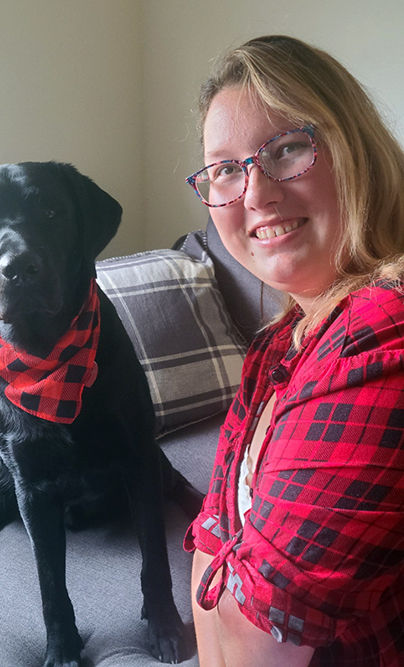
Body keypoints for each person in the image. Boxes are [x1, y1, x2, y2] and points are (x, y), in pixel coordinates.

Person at [184, 35, 404, 667]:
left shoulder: (381, 330)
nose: (255, 194)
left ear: (355, 150)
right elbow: (212, 541)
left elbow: (259, 630)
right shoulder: (285, 340)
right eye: (225, 168)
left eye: (287, 149)